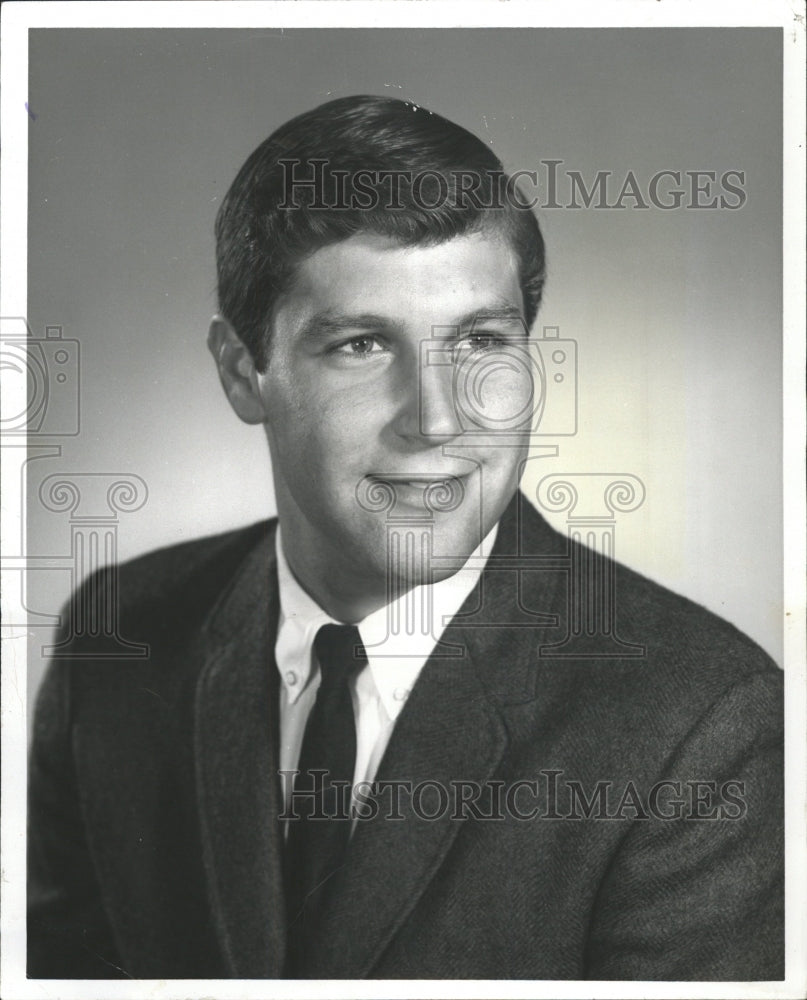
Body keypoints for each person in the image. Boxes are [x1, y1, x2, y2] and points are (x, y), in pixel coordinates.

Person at [28, 95, 783, 981]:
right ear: (243, 373)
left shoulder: (697, 723)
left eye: (478, 341)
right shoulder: (123, 633)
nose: (435, 419)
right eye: (359, 345)